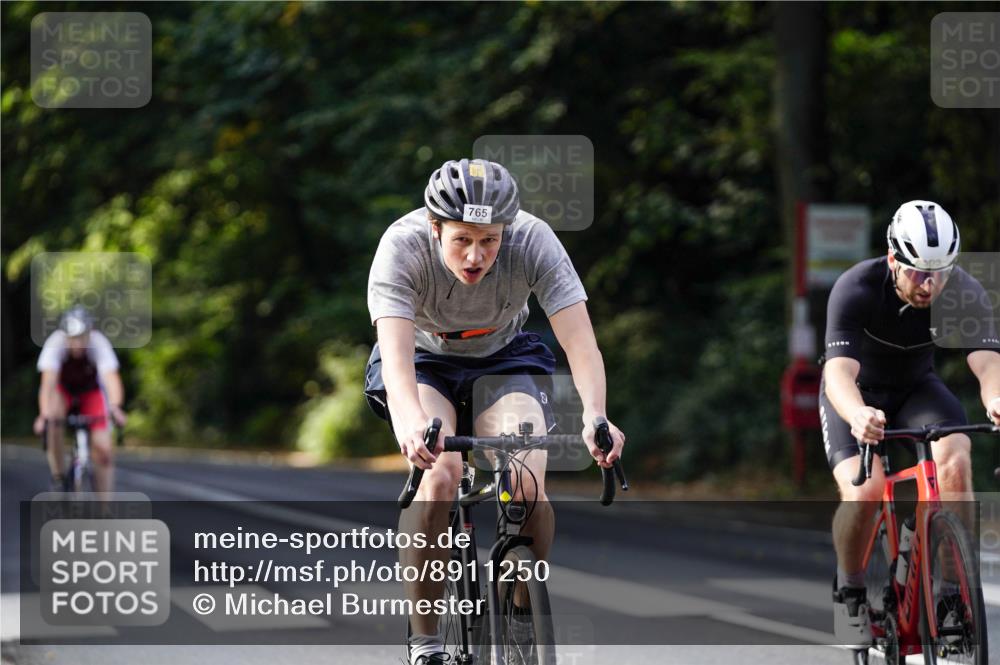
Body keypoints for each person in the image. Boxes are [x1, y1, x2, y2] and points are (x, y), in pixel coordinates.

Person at [365, 158, 626, 665]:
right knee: (441, 476)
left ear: (507, 229)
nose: (476, 255)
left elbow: (581, 343)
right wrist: (411, 424)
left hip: (504, 359)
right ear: (434, 227)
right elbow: (395, 360)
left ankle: (522, 612)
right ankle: (425, 640)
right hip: (424, 361)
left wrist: (597, 415)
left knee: (527, 481)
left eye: (490, 240)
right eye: (461, 239)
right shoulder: (401, 247)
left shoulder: (534, 239)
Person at [820, 200, 1000, 646]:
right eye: (918, 271)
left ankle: (953, 596)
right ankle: (851, 590)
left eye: (940, 271)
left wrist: (996, 396)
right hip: (856, 395)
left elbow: (986, 360)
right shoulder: (857, 287)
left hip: (915, 389)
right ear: (893, 258)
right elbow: (838, 372)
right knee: (866, 488)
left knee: (955, 457)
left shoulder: (962, 289)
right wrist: (857, 412)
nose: (930, 284)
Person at [33, 305, 127, 492]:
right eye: (72, 339)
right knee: (53, 418)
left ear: (89, 333)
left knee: (104, 450)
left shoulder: (99, 343)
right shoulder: (55, 344)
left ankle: (104, 509)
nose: (77, 344)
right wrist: (44, 415)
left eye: (81, 338)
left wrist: (115, 407)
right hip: (64, 392)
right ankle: (59, 475)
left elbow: (111, 380)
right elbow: (48, 385)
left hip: (90, 393)